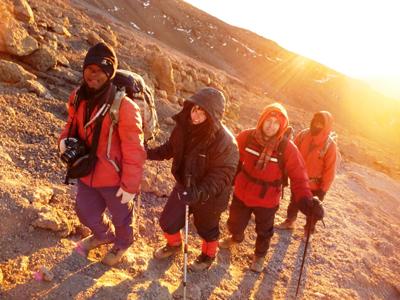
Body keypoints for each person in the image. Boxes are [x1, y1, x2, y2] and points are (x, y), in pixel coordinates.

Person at [58, 42, 146, 266]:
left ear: (110, 73)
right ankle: (104, 235)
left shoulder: (124, 107)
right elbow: (71, 123)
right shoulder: (78, 96)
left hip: (114, 178)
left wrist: (130, 186)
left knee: (122, 218)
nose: (93, 75)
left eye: (100, 70)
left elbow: (134, 150)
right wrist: (63, 141)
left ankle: (123, 243)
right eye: (89, 69)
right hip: (86, 170)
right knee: (85, 212)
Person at [219, 103, 323, 273]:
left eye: (276, 123)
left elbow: (299, 177)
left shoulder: (286, 148)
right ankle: (236, 237)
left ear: (281, 126)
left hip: (267, 199)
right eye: (269, 120)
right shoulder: (246, 137)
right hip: (242, 192)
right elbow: (231, 159)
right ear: (262, 119)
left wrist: (306, 202)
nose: (271, 125)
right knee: (235, 221)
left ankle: (259, 256)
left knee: (264, 231)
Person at [147, 87, 239, 271]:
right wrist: (147, 153)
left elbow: (223, 175)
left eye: (203, 112)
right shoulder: (183, 128)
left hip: (210, 196)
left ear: (213, 115)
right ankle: (174, 245)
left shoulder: (225, 142)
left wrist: (199, 193)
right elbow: (169, 148)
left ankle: (207, 256)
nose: (196, 114)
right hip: (185, 185)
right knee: (168, 221)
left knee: (207, 228)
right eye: (195, 108)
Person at [277, 111, 337, 234]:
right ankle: (290, 221)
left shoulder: (330, 146)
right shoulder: (303, 135)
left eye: (321, 124)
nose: (316, 125)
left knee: (312, 209)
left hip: (316, 185)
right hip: (298, 180)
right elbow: (291, 153)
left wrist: (323, 189)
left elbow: (330, 170)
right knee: (294, 202)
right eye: (315, 121)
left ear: (326, 126)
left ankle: (308, 231)